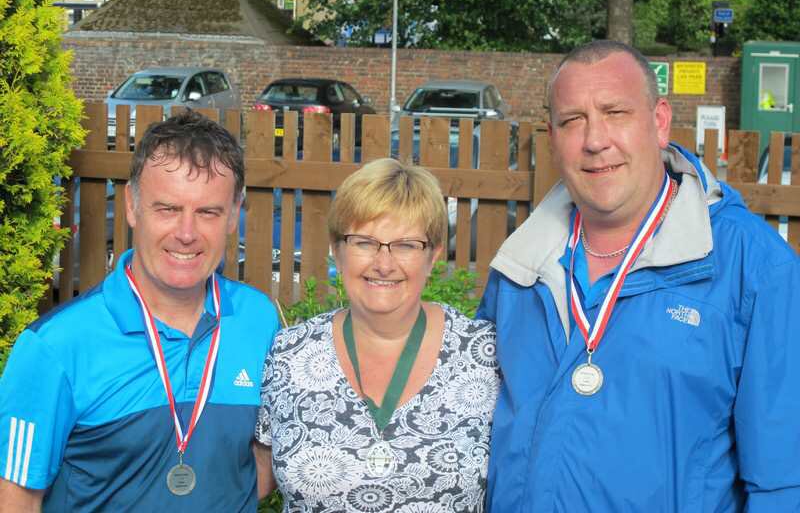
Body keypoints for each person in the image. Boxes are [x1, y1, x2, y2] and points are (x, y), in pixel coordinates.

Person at [477, 40, 800, 512]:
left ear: (660, 121)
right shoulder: (519, 265)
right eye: (573, 120)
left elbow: (783, 484)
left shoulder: (754, 268)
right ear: (552, 138)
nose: (595, 140)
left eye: (615, 113)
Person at [0, 111, 280, 511]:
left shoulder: (257, 320)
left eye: (208, 212)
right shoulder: (55, 347)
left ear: (234, 214)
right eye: (167, 209)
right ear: (132, 206)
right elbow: (14, 500)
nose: (186, 234)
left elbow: (258, 468)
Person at [255, 158, 500, 511]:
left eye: (406, 245)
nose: (384, 264)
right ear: (337, 250)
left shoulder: (484, 355)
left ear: (433, 256)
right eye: (365, 242)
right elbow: (254, 478)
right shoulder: (289, 353)